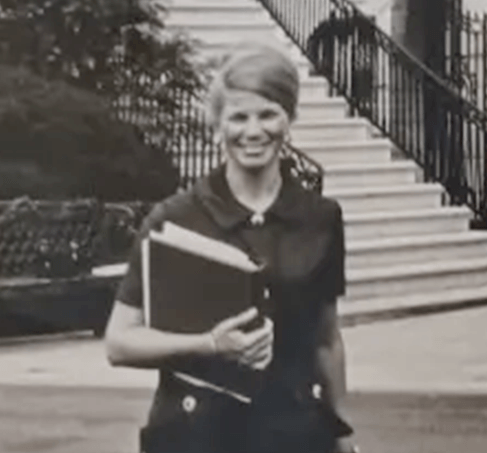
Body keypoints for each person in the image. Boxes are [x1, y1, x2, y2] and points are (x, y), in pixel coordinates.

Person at [104, 42, 358, 453]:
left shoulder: (321, 217)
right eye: (238, 117)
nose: (253, 132)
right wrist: (208, 345)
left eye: (268, 114)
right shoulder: (173, 218)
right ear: (217, 126)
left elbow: (326, 340)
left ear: (289, 118)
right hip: (196, 436)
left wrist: (343, 434)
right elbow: (119, 342)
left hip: (293, 434)